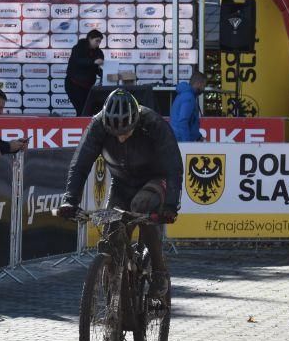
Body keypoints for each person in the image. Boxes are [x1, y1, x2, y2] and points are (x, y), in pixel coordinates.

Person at [56, 89, 181, 298]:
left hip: (154, 178)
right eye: (115, 134)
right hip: (122, 182)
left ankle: (159, 271)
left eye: (126, 132)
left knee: (141, 206)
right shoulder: (97, 125)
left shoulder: (153, 123)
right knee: (112, 232)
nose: (121, 138)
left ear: (136, 121)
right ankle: (117, 296)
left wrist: (170, 205)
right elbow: (80, 164)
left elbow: (173, 166)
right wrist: (70, 200)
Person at [65, 29, 105, 115]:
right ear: (90, 38)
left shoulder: (99, 52)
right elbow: (78, 61)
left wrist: (105, 74)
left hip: (88, 86)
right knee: (81, 110)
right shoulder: (77, 48)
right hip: (73, 84)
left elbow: (97, 69)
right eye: (97, 41)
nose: (98, 44)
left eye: (100, 42)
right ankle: (80, 123)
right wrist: (93, 61)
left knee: (89, 110)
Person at [169, 70, 206, 142]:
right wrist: (186, 143)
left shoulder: (185, 95)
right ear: (198, 84)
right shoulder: (189, 97)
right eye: (203, 86)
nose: (204, 89)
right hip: (181, 140)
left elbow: (191, 123)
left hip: (178, 138)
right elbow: (183, 121)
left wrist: (198, 137)